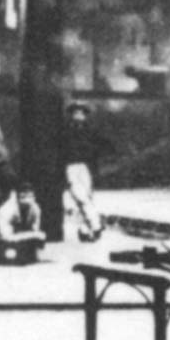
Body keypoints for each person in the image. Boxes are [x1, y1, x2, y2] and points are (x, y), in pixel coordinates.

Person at [61, 102, 115, 242]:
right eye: (75, 113)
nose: (78, 116)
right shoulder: (66, 131)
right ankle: (96, 224)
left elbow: (103, 144)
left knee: (87, 198)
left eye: (81, 113)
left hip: (87, 167)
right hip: (71, 166)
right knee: (80, 197)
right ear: (71, 115)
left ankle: (86, 229)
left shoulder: (91, 131)